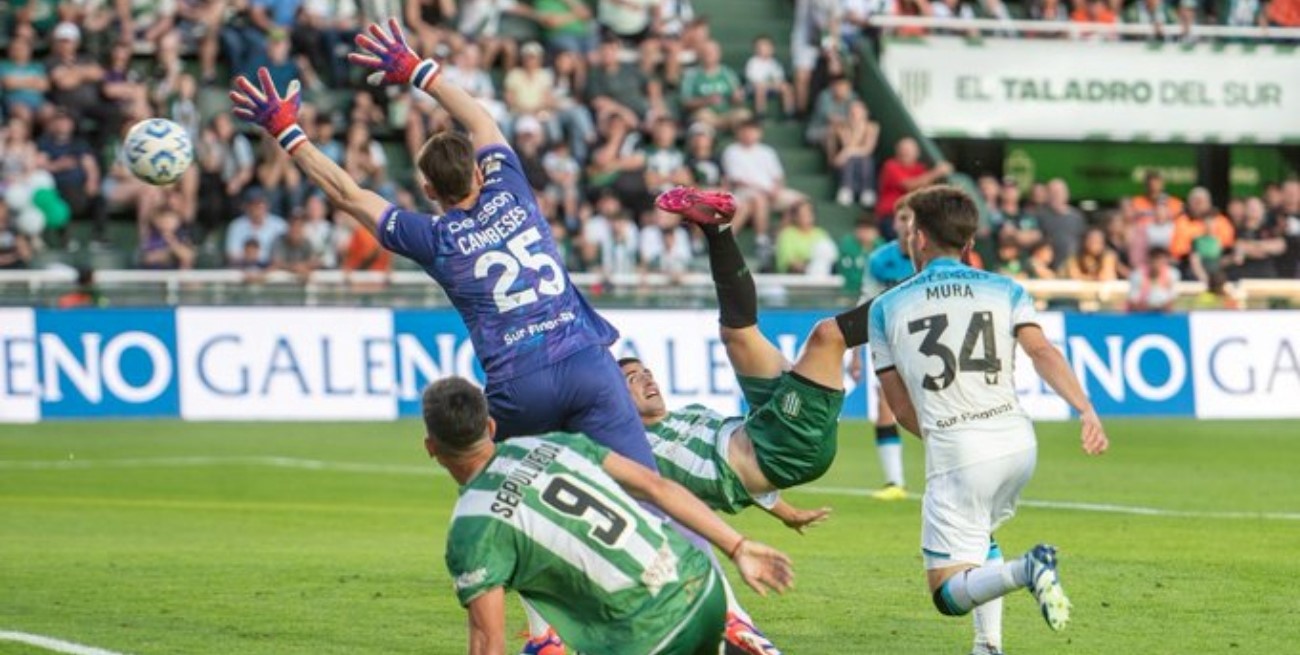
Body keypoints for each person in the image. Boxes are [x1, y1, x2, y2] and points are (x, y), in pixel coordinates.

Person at [868, 186, 1109, 655]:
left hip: (960, 451)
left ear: (918, 239)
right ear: (970, 241)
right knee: (980, 534)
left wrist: (944, 437)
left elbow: (899, 409)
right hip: (1018, 443)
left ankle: (1028, 569)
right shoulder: (1006, 289)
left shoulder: (886, 307)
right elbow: (1042, 350)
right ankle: (988, 645)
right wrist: (1086, 409)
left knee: (944, 592)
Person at [425, 376, 794, 655]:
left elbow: (488, 640)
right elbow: (657, 487)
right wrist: (738, 546)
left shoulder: (471, 527)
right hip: (701, 585)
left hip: (645, 637)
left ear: (432, 448)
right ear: (490, 426)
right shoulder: (552, 443)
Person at [639, 186, 871, 516]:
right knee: (828, 336)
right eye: (632, 378)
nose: (646, 379)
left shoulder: (687, 414)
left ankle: (716, 229)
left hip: (761, 426)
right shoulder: (629, 448)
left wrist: (788, 514)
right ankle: (914, 299)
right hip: (786, 452)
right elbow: (724, 484)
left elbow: (744, 479)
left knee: (737, 335)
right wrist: (736, 547)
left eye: (645, 372)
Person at [850, 238, 915, 501]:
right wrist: (855, 353)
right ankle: (895, 482)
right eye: (901, 218)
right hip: (888, 338)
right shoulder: (879, 259)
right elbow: (866, 302)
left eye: (909, 219)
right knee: (884, 400)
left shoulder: (929, 253)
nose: (905, 224)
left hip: (922, 338)